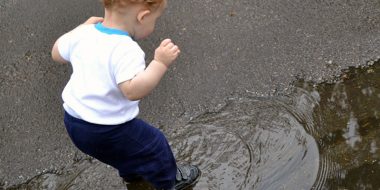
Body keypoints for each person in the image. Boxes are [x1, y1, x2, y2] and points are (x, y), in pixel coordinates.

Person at [51, 0, 201, 189]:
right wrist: (160, 63)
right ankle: (170, 182)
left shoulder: (83, 33)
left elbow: (56, 53)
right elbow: (132, 91)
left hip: (74, 122)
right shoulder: (126, 49)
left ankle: (133, 174)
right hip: (107, 129)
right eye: (154, 20)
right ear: (143, 17)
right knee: (155, 145)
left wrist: (80, 28)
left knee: (123, 151)